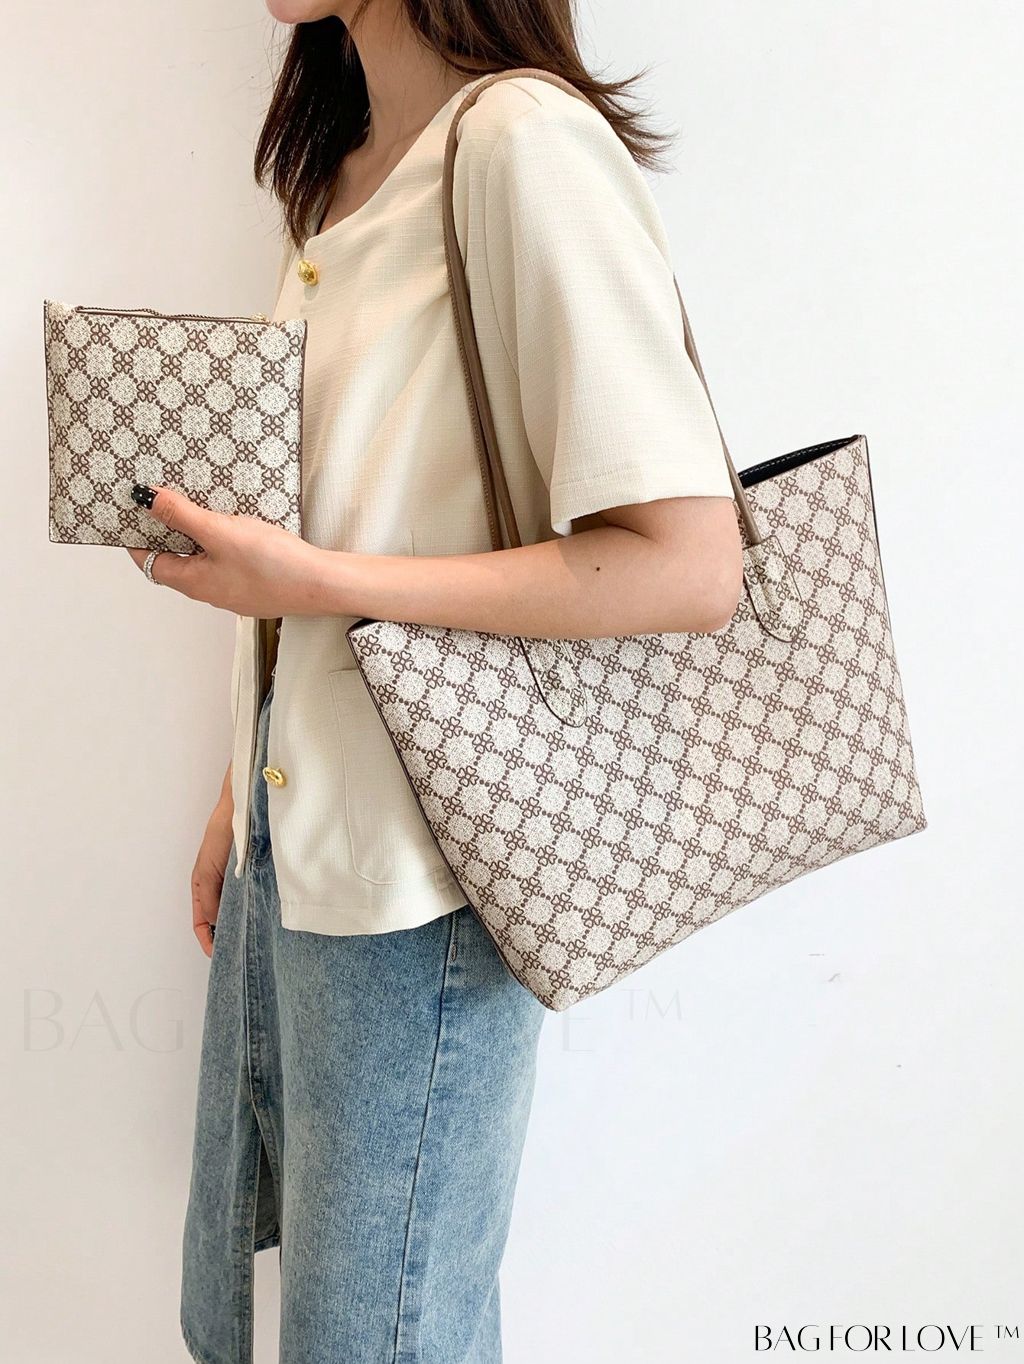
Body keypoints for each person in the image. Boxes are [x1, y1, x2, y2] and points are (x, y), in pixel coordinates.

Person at [129, 2, 743, 1360]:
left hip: (429, 876)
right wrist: (243, 789)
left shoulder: (521, 143)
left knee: (380, 1338)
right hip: (309, 840)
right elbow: (359, 506)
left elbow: (691, 564)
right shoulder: (339, 170)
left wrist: (314, 583)